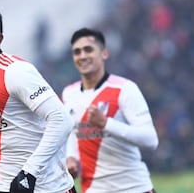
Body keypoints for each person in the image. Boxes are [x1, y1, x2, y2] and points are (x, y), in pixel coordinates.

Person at [0, 1, 76, 193]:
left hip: (47, 189)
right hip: (1, 188)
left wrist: (29, 173)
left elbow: (62, 120)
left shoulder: (15, 71)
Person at [62, 28, 159, 193]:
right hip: (93, 189)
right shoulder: (69, 93)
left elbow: (150, 140)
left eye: (88, 49)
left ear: (104, 54)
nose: (82, 56)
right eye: (77, 52)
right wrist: (71, 157)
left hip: (134, 188)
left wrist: (106, 123)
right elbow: (73, 131)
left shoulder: (125, 89)